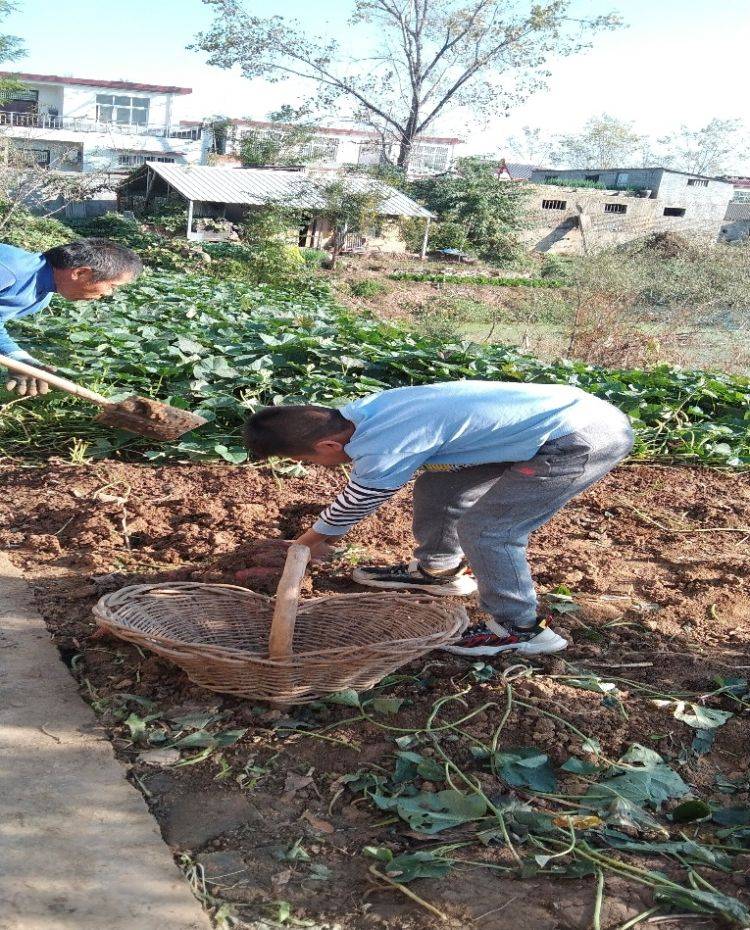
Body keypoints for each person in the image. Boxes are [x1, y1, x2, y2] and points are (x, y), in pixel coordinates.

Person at [243, 380, 634, 657]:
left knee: (488, 530)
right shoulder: (363, 413)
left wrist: (306, 544)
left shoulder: (383, 444)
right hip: (556, 418)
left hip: (579, 437)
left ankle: (522, 629)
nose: (311, 467)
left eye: (305, 460)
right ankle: (438, 571)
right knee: (439, 487)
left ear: (327, 444)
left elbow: (359, 500)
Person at [0, 238, 143, 396]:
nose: (108, 294)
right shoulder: (9, 269)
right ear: (80, 272)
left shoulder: (39, 299)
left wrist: (19, 358)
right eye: (112, 286)